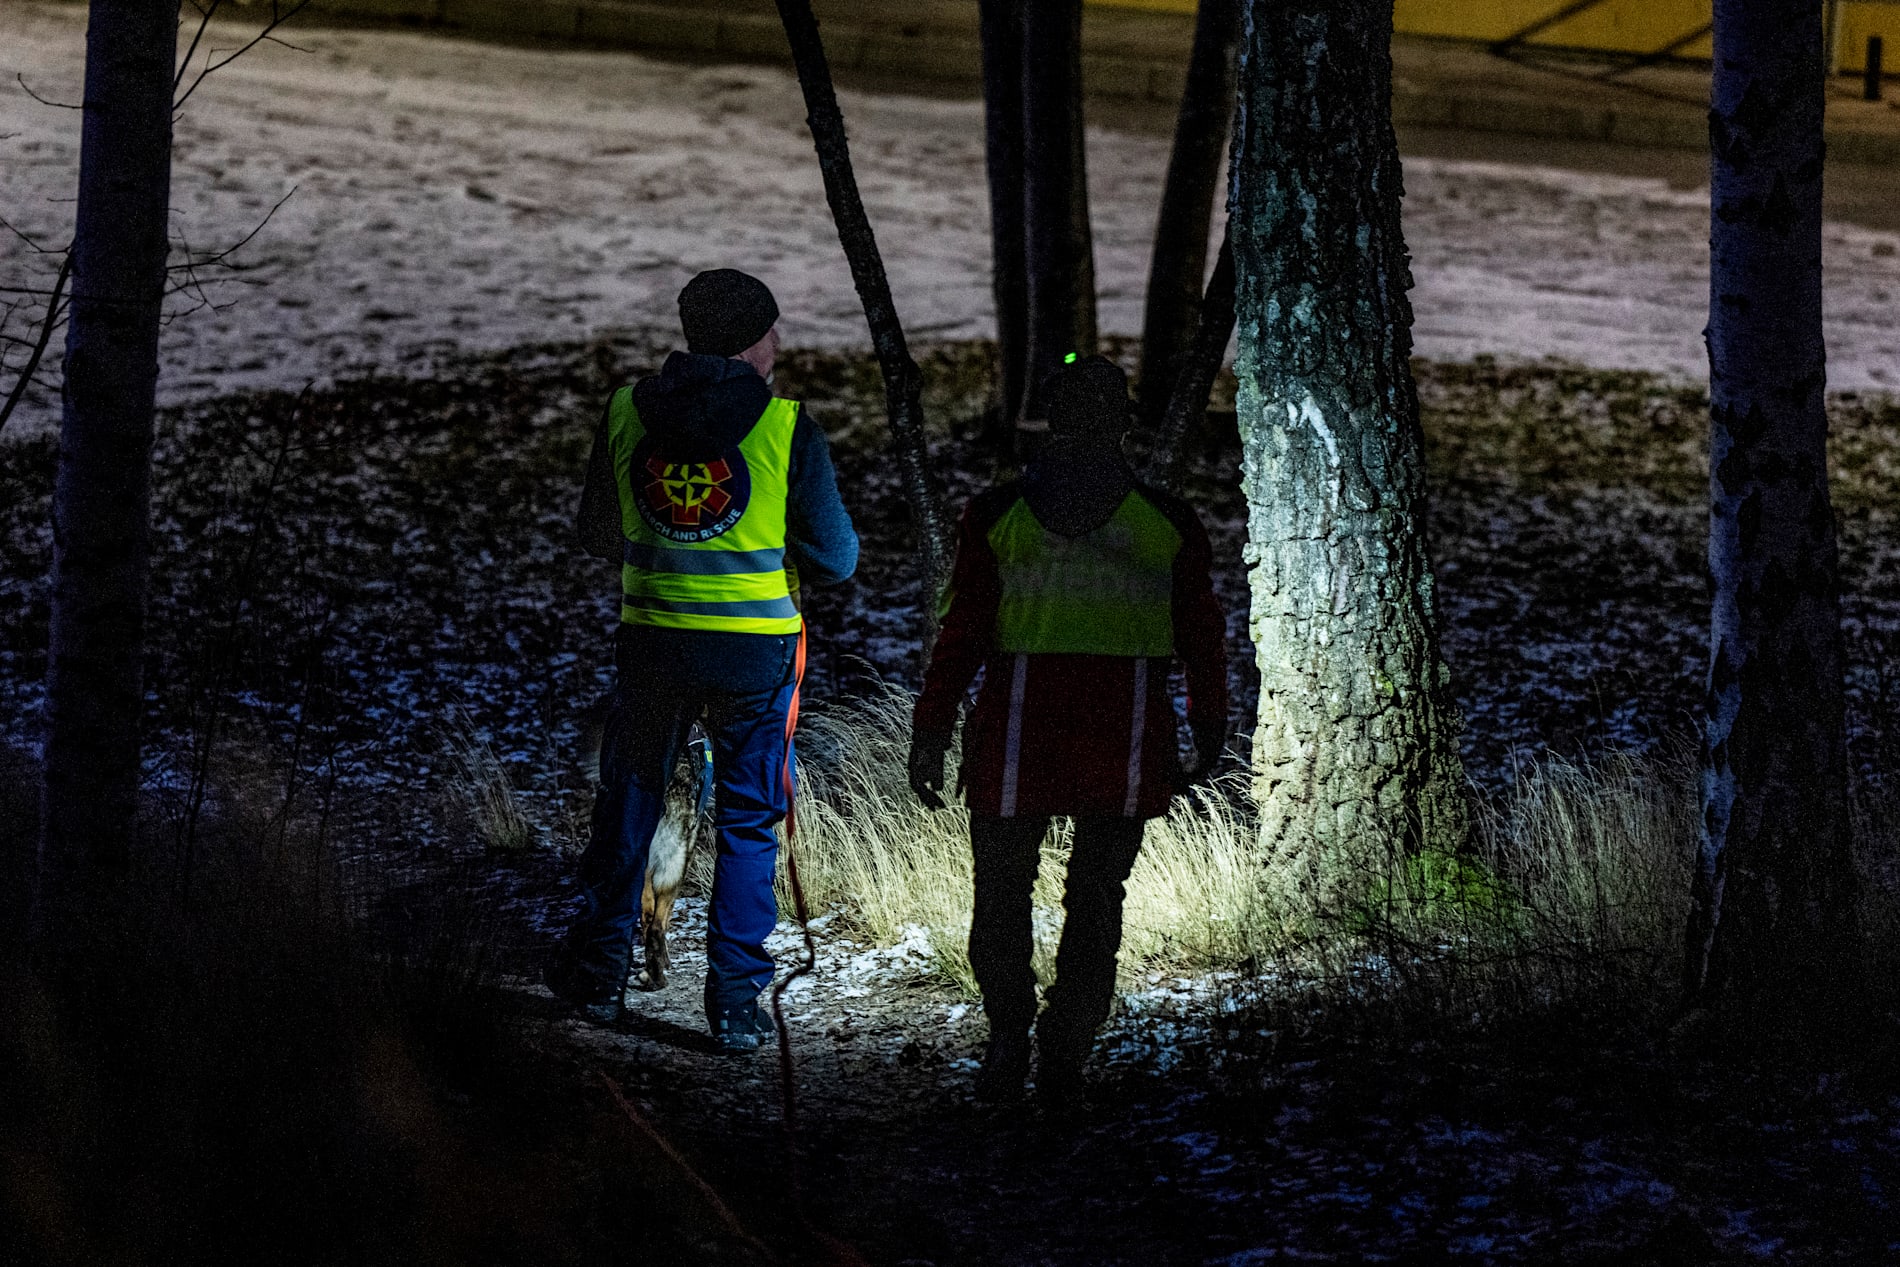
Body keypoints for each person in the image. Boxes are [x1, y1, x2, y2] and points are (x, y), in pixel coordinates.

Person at [547, 269, 858, 1052]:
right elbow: (839, 557)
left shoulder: (626, 412)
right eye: (775, 333)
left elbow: (596, 531)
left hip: (652, 644)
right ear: (756, 342)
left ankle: (598, 977)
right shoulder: (788, 427)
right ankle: (735, 1003)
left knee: (632, 800)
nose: (780, 346)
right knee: (749, 823)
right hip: (755, 656)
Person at [909, 355, 1228, 1105]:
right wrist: (1208, 726)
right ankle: (1063, 1056)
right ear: (1125, 423)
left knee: (1001, 893)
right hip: (1126, 737)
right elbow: (1203, 637)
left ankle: (1007, 1041)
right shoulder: (1166, 526)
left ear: (1050, 421)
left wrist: (932, 730)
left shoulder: (997, 517)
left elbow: (961, 635)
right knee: (1096, 900)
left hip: (1016, 734)